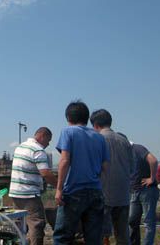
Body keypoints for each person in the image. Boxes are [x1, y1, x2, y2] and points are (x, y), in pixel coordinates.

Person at [53, 100, 110, 245]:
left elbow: (65, 160)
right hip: (95, 191)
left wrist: (59, 189)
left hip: (73, 191)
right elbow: (105, 167)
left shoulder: (68, 132)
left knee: (62, 237)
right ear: (86, 118)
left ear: (68, 118)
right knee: (93, 238)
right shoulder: (99, 137)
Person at [90, 109, 133, 245]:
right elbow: (132, 167)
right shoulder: (124, 140)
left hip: (103, 195)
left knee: (101, 235)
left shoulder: (96, 139)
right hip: (123, 195)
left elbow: (92, 168)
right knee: (122, 235)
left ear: (95, 125)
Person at [9, 127, 57, 245]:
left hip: (15, 193)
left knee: (20, 225)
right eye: (48, 140)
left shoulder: (20, 147)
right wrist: (59, 186)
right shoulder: (38, 150)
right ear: (42, 136)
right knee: (37, 223)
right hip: (29, 194)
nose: (48, 144)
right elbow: (45, 173)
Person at [128, 143, 159, 245]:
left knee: (148, 221)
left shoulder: (137, 148)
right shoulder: (125, 152)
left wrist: (152, 178)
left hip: (147, 190)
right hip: (134, 190)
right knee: (132, 220)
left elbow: (153, 160)